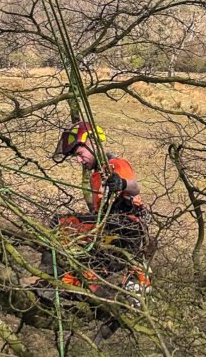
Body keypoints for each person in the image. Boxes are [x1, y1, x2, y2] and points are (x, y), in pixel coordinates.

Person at [44, 121, 153, 299]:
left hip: (125, 229)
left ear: (93, 143)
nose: (79, 161)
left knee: (61, 222)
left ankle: (48, 272)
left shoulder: (115, 164)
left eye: (80, 154)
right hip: (110, 231)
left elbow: (135, 188)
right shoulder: (96, 175)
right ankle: (70, 290)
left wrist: (121, 183)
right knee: (86, 272)